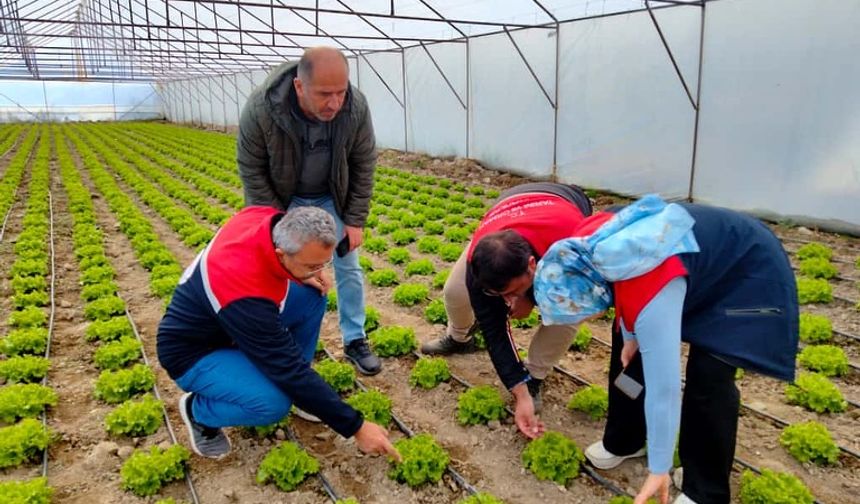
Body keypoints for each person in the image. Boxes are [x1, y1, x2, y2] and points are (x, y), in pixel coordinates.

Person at [529, 195, 799, 504]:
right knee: (629, 357)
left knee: (709, 376)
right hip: (684, 266)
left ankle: (704, 488)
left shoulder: (647, 292)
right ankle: (625, 439)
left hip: (744, 272)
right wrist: (631, 334)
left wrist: (659, 468)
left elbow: (665, 391)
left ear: (590, 294)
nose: (585, 320)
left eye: (579, 312)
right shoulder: (580, 249)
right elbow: (620, 286)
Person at [156, 206, 399, 462]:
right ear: (281, 255)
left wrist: (307, 271)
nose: (319, 270)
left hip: (230, 324)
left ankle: (303, 395)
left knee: (312, 294)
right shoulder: (245, 295)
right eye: (312, 264)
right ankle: (199, 412)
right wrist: (356, 427)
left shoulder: (267, 219)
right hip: (194, 352)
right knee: (273, 403)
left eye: (323, 263)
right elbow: (286, 366)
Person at [237, 46, 381, 375]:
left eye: (340, 93)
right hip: (284, 199)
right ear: (300, 87)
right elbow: (252, 169)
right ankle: (291, 338)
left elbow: (364, 162)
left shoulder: (355, 107)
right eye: (324, 94)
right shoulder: (262, 108)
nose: (334, 103)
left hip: (333, 197)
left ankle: (355, 338)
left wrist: (355, 220)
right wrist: (275, 222)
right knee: (285, 268)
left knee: (348, 266)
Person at [420, 182, 593, 426]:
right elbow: (496, 332)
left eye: (512, 291)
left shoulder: (572, 246)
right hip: (508, 209)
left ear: (532, 265)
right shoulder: (478, 265)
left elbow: (591, 293)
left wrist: (530, 299)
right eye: (498, 294)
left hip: (562, 212)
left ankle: (535, 375)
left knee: (567, 314)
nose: (507, 302)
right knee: (455, 291)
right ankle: (460, 339)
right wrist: (517, 391)